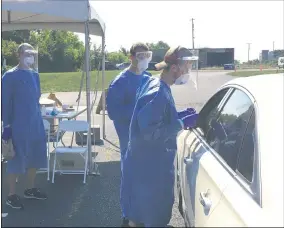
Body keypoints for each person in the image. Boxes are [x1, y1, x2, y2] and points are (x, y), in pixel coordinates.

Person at [121, 46, 199, 227]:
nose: (188, 71)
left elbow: (157, 118)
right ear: (174, 68)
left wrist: (178, 115)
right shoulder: (157, 92)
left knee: (142, 212)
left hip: (146, 163)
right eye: (186, 67)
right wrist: (180, 123)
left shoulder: (157, 85)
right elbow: (150, 133)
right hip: (150, 166)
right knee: (151, 213)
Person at [106, 42, 152, 226]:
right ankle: (128, 215)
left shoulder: (149, 78)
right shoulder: (120, 82)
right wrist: (138, 110)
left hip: (148, 138)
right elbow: (113, 112)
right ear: (131, 57)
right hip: (129, 138)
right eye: (140, 55)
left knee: (147, 177)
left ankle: (144, 211)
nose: (144, 59)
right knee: (131, 177)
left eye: (147, 55)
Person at [2, 43, 48, 210]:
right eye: (27, 53)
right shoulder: (9, 76)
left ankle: (29, 188)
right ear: (19, 54)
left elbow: (36, 98)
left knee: (35, 156)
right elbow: (4, 102)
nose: (30, 56)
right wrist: (6, 126)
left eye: (32, 53)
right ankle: (11, 195)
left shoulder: (35, 75)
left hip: (35, 123)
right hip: (18, 125)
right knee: (16, 159)